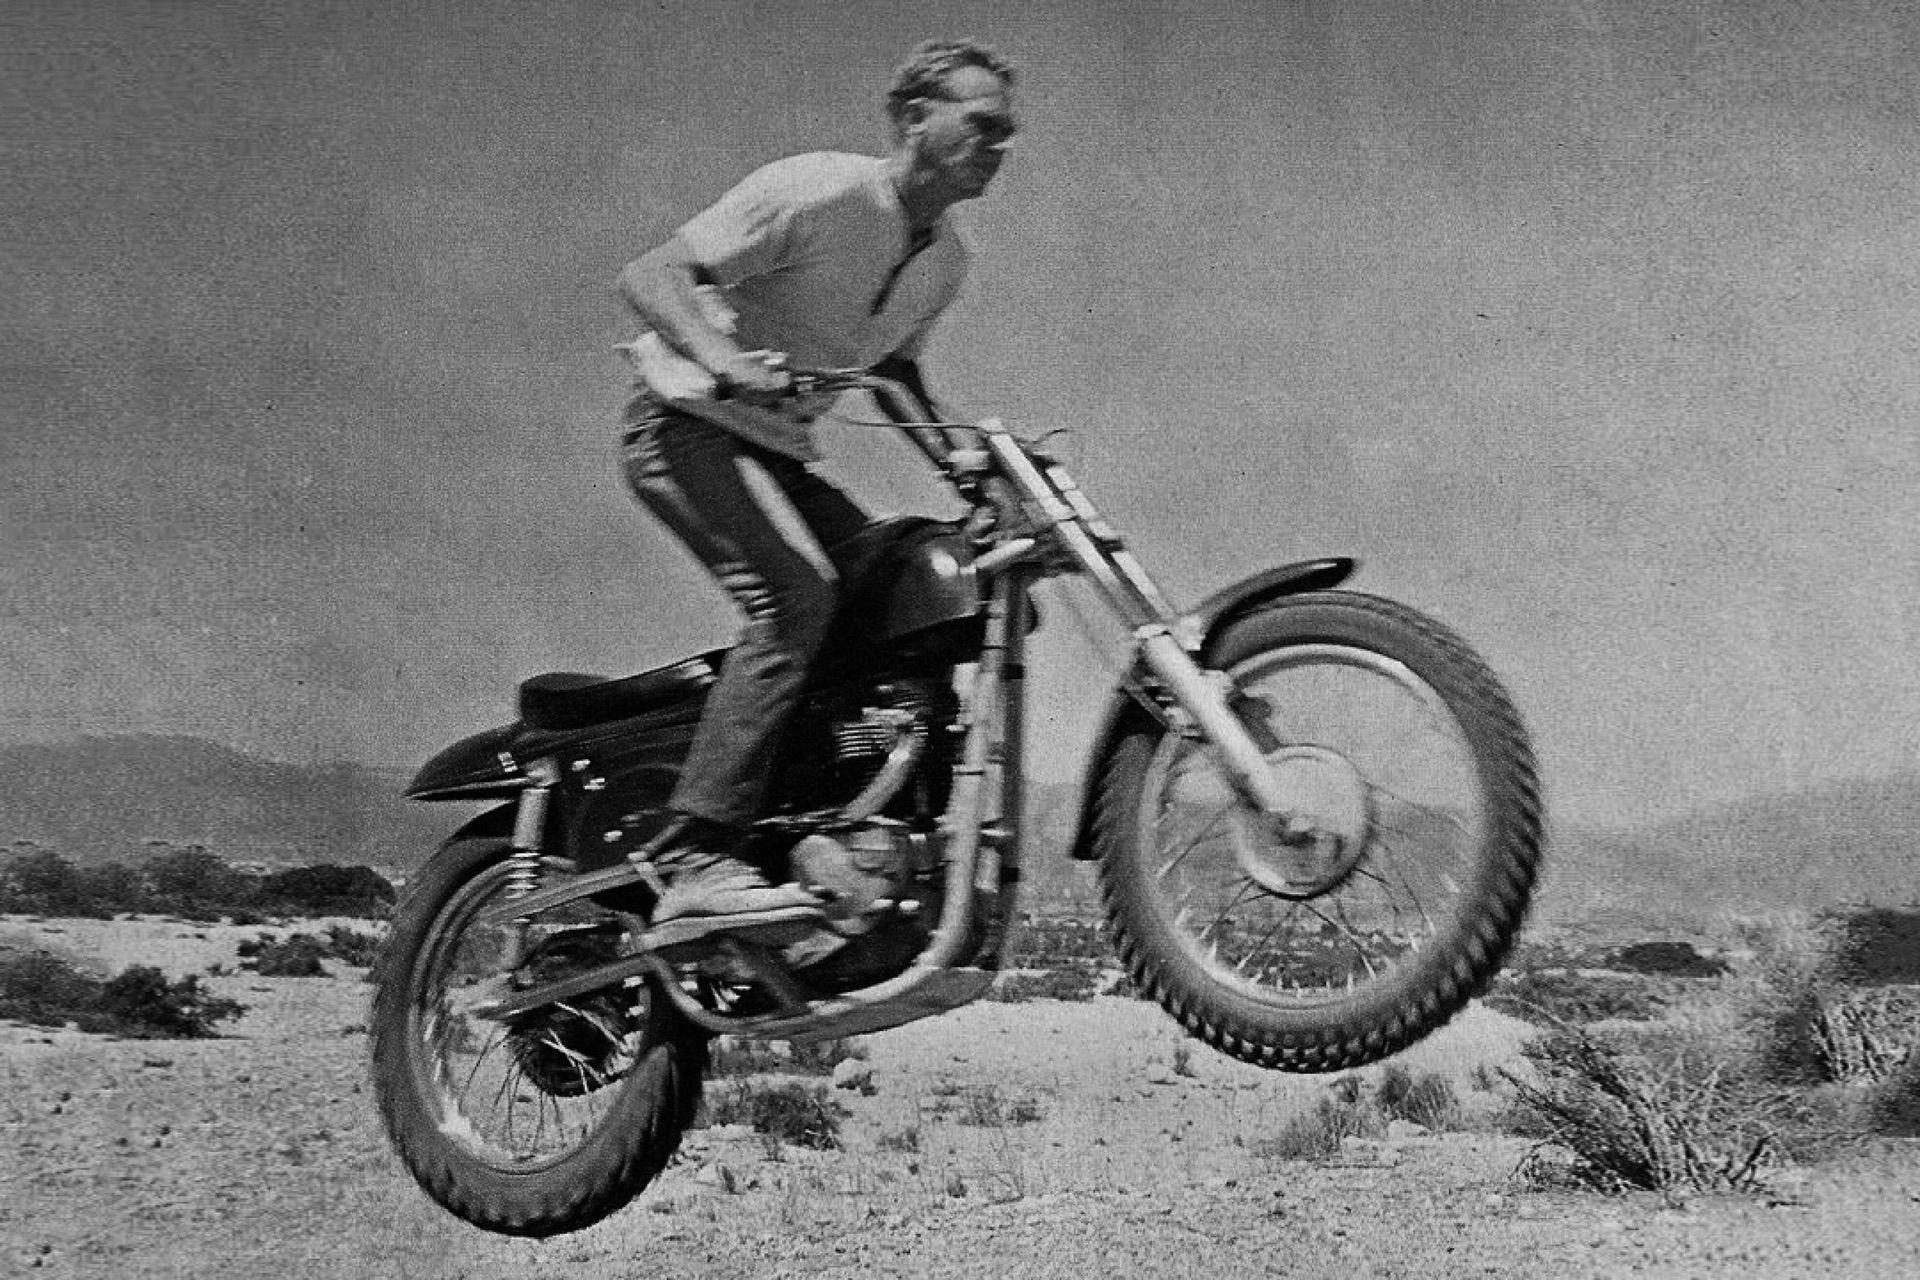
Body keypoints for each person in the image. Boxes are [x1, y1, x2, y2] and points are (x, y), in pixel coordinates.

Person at [601, 39, 1018, 940]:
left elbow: (894, 371)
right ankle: (693, 852)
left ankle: (803, 835)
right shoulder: (821, 190)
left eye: (1007, 131)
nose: (999, 143)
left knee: (890, 593)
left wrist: (966, 466)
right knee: (798, 597)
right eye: (981, 123)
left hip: (780, 456)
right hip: (685, 429)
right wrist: (723, 362)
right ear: (915, 117)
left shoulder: (946, 258)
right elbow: (653, 275)